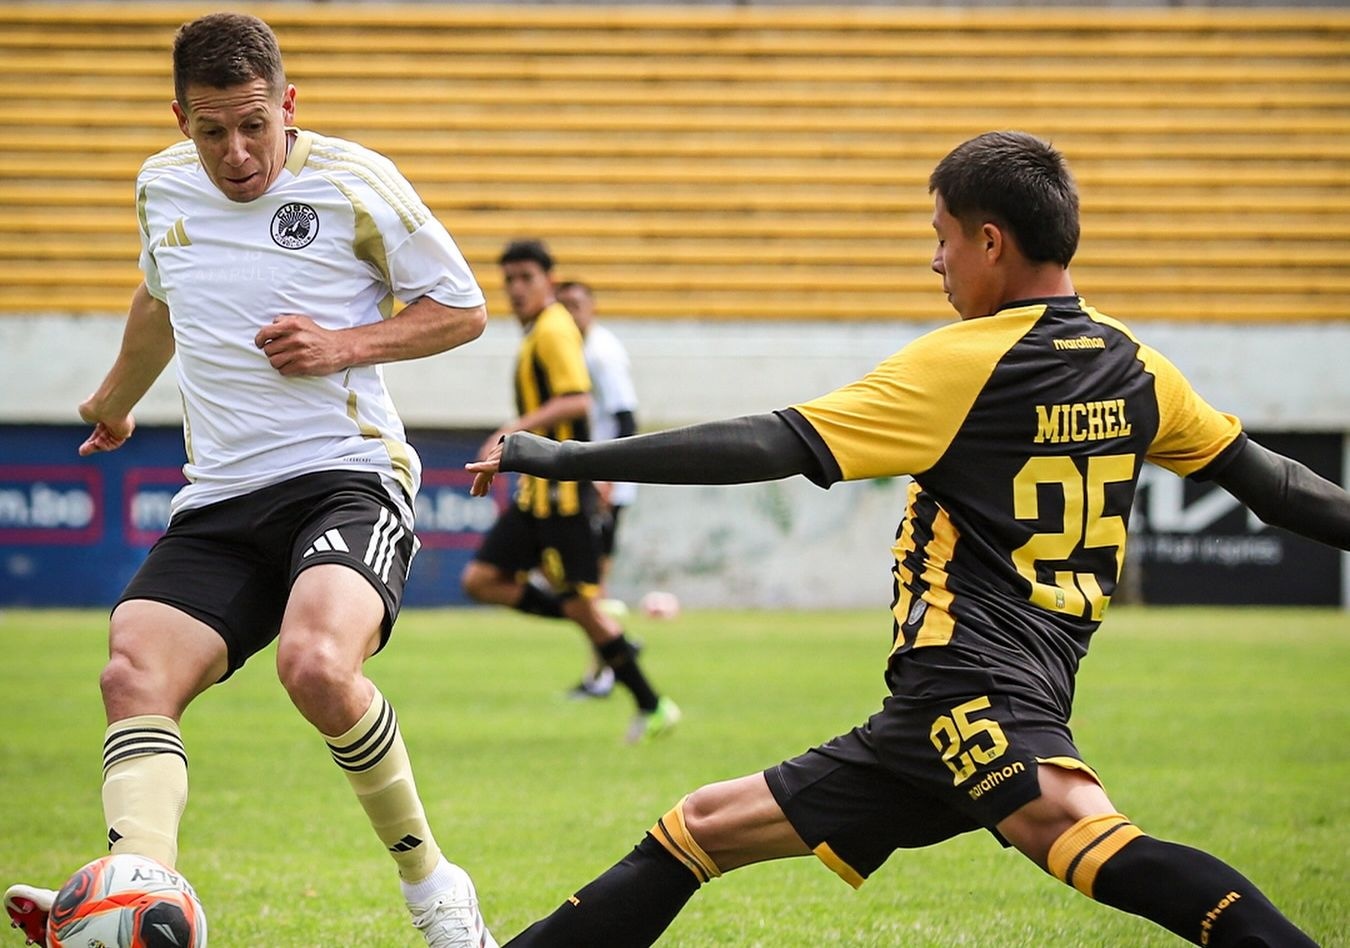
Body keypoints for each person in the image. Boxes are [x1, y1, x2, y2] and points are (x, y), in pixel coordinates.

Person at [468, 132, 1348, 947]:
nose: (935, 260)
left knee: (1086, 834)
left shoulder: (961, 364)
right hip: (967, 699)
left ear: (992, 241)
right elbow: (1275, 484)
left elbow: (770, 442)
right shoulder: (1137, 365)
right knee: (698, 829)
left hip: (969, 687)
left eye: (942, 237)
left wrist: (562, 457)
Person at [3, 14, 497, 948]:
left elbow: (462, 310)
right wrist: (115, 399)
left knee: (315, 664)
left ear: (288, 105)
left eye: (254, 125)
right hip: (223, 495)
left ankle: (435, 887)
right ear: (180, 117)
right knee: (131, 667)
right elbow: (160, 296)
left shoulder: (355, 182)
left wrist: (343, 344)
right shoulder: (159, 186)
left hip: (345, 477)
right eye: (211, 130)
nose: (236, 153)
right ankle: (134, 894)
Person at [460, 241, 679, 742]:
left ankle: (654, 704)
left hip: (561, 498)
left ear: (549, 280)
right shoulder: (541, 330)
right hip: (535, 498)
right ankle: (611, 635)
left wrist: (512, 428)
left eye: (526, 278)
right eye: (509, 279)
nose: (516, 289)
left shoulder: (555, 327)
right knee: (481, 580)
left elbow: (577, 398)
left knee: (580, 607)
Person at [556, 279, 641, 699]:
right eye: (563, 305)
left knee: (592, 586)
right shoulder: (574, 350)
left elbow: (626, 420)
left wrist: (609, 477)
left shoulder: (602, 355)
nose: (570, 313)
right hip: (590, 482)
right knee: (582, 584)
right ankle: (614, 654)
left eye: (576, 304)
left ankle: (606, 670)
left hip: (605, 485)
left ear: (592, 309)